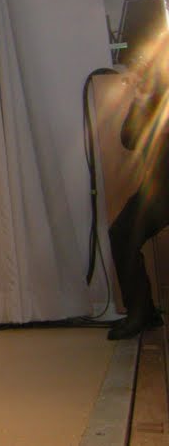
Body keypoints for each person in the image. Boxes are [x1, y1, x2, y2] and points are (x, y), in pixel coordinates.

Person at [108, 26, 169, 340]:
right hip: (159, 186)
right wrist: (142, 99)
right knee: (121, 234)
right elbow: (129, 139)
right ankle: (142, 312)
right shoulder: (149, 94)